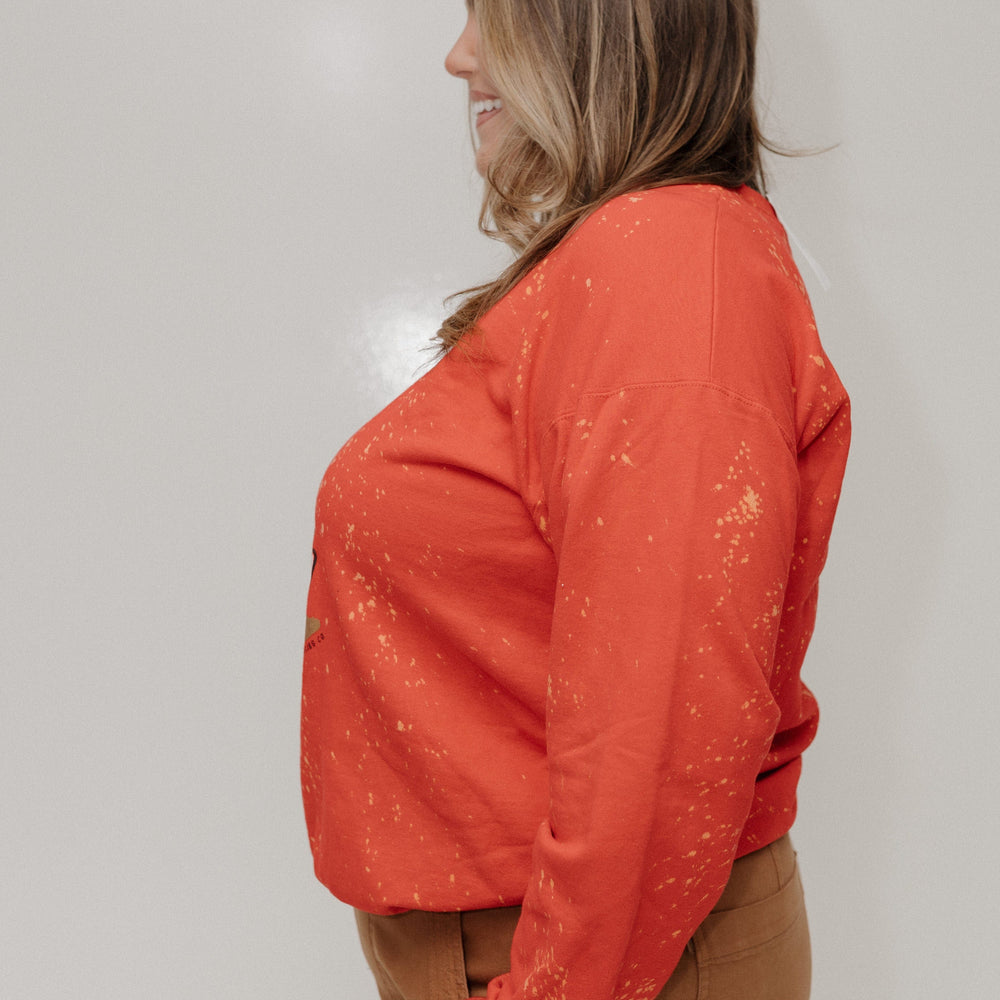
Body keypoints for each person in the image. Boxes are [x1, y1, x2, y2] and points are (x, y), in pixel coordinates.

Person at [301, 1, 851, 997]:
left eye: (490, 20)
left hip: (588, 961)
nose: (458, 58)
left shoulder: (670, 271)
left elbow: (662, 733)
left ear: (593, 30)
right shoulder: (637, 260)